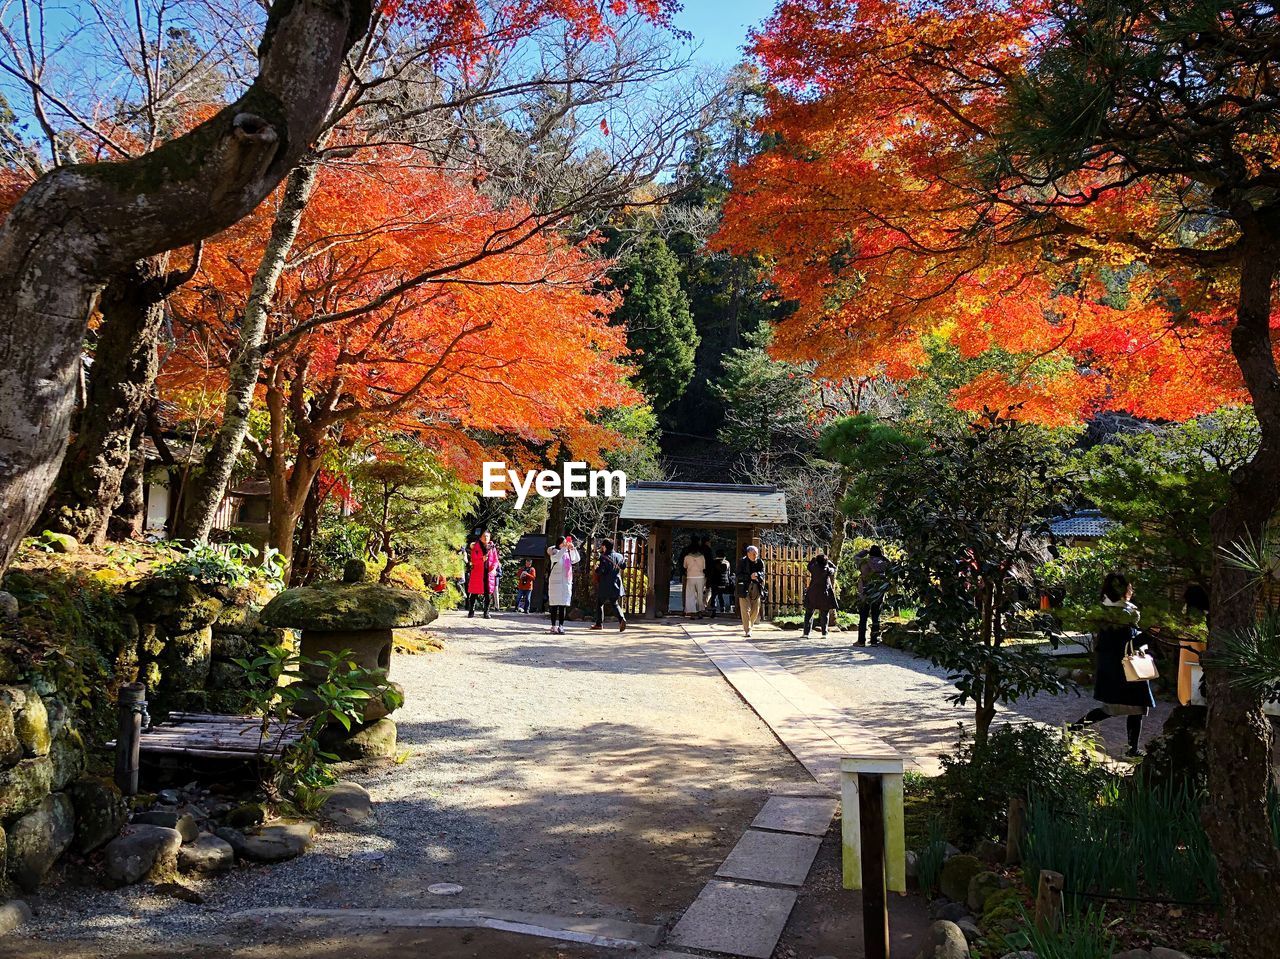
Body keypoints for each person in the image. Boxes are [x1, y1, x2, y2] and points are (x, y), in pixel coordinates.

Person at [1071, 573, 1156, 758]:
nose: (1131, 590)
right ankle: (1073, 730)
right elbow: (1125, 646)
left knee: (1124, 709)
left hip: (1117, 670)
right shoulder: (1120, 615)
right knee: (1123, 709)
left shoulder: (1112, 612)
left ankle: (1073, 730)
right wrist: (1148, 634)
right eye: (1129, 587)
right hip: (1124, 671)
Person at [856, 545, 890, 646]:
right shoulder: (883, 563)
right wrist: (882, 556)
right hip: (878, 592)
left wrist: (864, 552)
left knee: (863, 617)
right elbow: (891, 564)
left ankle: (861, 641)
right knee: (876, 616)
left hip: (864, 592)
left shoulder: (864, 562)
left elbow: (856, 557)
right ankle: (874, 641)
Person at [546, 534, 580, 634]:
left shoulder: (567, 554)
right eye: (564, 542)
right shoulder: (554, 552)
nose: (566, 544)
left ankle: (561, 626)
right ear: (560, 543)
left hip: (565, 582)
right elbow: (556, 558)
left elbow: (576, 559)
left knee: (562, 605)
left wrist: (573, 549)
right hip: (555, 583)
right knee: (554, 605)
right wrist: (564, 549)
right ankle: (553, 626)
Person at [591, 539, 628, 632]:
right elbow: (623, 566)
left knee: (600, 603)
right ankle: (621, 619)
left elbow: (603, 571)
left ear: (604, 546)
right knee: (614, 603)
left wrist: (596, 569)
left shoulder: (604, 557)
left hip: (606, 583)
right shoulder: (620, 556)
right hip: (616, 582)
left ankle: (599, 624)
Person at [803, 551, 838, 637]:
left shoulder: (813, 569)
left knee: (809, 613)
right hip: (824, 594)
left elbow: (809, 565)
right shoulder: (828, 570)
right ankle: (824, 633)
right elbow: (834, 568)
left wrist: (813, 559)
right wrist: (828, 562)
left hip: (813, 593)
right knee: (824, 614)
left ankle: (806, 633)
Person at [466, 530, 498, 618]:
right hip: (477, 573)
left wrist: (494, 568)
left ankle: (486, 612)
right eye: (484, 536)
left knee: (488, 594)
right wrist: (481, 559)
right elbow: (473, 559)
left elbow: (496, 560)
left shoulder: (492, 547)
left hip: (488, 573)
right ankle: (471, 611)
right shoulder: (475, 546)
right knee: (474, 593)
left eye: (487, 536)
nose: (486, 538)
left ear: (490, 537)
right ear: (480, 537)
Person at [737, 545, 765, 637]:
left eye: (756, 554)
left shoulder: (760, 562)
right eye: (753, 554)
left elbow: (763, 573)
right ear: (748, 553)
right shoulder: (742, 562)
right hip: (744, 587)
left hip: (756, 586)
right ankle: (747, 629)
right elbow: (738, 575)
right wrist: (749, 577)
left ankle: (750, 625)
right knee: (745, 609)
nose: (755, 556)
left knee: (755, 609)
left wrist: (758, 575)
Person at [683, 540, 707, 617]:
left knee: (690, 595)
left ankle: (692, 612)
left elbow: (685, 566)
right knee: (700, 594)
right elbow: (704, 567)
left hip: (690, 576)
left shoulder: (687, 557)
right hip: (700, 577)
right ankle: (700, 611)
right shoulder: (702, 557)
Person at [709, 549, 734, 617]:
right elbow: (728, 574)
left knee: (713, 596)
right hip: (724, 582)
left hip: (715, 581)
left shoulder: (713, 562)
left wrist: (709, 582)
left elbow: (711, 573)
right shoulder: (727, 563)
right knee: (720, 595)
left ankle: (713, 609)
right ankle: (722, 608)